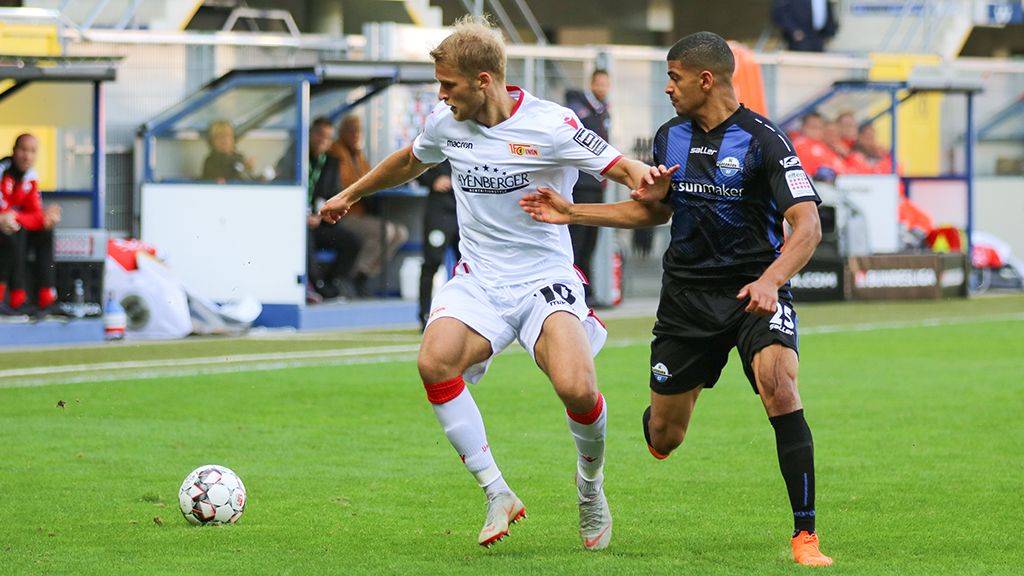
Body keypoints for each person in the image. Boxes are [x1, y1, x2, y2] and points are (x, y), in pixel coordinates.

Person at [318, 15, 674, 550]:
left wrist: (646, 177)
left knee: (578, 389)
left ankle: (590, 486)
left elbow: (621, 168)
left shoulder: (553, 125)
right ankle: (496, 492)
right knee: (434, 362)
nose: (441, 96)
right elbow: (409, 160)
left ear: (484, 81)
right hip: (479, 279)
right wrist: (352, 195)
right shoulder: (446, 122)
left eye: (448, 85)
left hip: (544, 280)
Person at [520, 31, 833, 566]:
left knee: (779, 385)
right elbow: (654, 212)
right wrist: (572, 213)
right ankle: (668, 409)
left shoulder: (765, 141)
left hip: (753, 290)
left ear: (705, 79)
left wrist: (771, 281)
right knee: (665, 437)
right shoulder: (669, 138)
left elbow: (807, 226)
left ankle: (806, 537)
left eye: (675, 78)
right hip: (686, 299)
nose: (668, 88)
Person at [329, 114, 409, 297]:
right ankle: (355, 275)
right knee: (385, 231)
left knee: (400, 233)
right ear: (342, 133)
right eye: (351, 130)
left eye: (358, 131)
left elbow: (372, 177)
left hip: (361, 213)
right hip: (345, 215)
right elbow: (350, 184)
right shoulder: (337, 151)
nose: (356, 135)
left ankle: (364, 274)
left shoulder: (358, 154)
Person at [303, 117, 364, 300]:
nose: (323, 140)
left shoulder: (331, 163)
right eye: (320, 135)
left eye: (328, 137)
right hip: (300, 224)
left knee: (353, 242)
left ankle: (332, 282)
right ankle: (315, 284)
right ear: (311, 135)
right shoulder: (297, 156)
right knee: (305, 238)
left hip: (322, 223)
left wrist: (320, 216)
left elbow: (335, 195)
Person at [0, 133, 59, 314]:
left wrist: (46, 217)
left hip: (15, 229)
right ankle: (14, 297)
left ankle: (46, 296)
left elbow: (35, 214)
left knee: (45, 230)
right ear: (14, 151)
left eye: (32, 151)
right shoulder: (2, 171)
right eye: (23, 150)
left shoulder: (31, 176)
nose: (27, 156)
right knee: (13, 231)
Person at [565, 69, 611, 298]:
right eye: (599, 83)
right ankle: (576, 289)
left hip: (597, 185)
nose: (603, 88)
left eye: (606, 84)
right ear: (591, 83)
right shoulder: (579, 109)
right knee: (578, 239)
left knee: (591, 240)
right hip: (582, 185)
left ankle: (587, 290)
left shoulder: (603, 111)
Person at [415, 160, 459, 331]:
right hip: (439, 210)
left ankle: (465, 313)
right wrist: (432, 180)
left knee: (470, 265)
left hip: (465, 210)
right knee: (432, 261)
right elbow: (414, 165)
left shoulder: (475, 139)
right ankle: (425, 314)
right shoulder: (436, 136)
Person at [772, 0, 839, 52]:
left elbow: (826, 9)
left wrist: (830, 31)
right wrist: (794, 31)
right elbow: (780, 11)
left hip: (820, 37)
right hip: (800, 38)